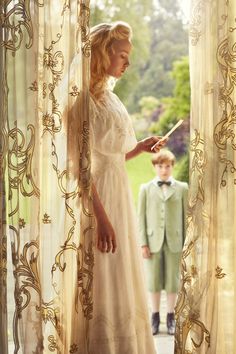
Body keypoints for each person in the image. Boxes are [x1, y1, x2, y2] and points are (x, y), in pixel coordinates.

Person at [88, 21, 166, 354]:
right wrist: (101, 219)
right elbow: (81, 166)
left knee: (123, 270)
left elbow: (113, 155)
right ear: (102, 53)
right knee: (105, 269)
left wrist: (139, 148)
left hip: (118, 193)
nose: (127, 63)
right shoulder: (84, 100)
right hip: (99, 199)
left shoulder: (109, 95)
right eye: (121, 55)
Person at [138, 150, 188, 336]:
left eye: (167, 166)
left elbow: (185, 217)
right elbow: (140, 217)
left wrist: (186, 244)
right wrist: (143, 243)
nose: (164, 170)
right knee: (153, 280)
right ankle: (155, 316)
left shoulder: (182, 188)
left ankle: (171, 316)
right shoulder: (145, 189)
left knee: (172, 281)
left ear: (172, 166)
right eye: (160, 166)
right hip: (152, 242)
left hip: (175, 241)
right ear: (154, 167)